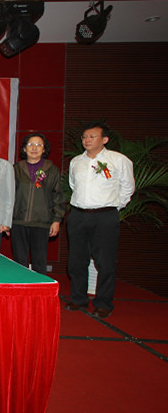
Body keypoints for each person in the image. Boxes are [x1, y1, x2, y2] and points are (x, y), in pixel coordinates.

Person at [66, 122, 134, 318]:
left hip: (105, 216)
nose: (87, 140)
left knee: (105, 262)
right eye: (84, 137)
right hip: (78, 215)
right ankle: (78, 299)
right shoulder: (76, 162)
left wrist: (112, 208)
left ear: (104, 139)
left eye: (92, 136)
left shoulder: (118, 160)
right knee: (76, 261)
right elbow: (73, 185)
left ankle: (103, 303)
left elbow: (127, 188)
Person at [11, 133, 66, 274]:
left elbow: (58, 195)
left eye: (38, 145)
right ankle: (21, 286)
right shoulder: (16, 169)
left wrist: (57, 220)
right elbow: (9, 195)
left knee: (39, 261)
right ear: (24, 149)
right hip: (18, 221)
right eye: (30, 144)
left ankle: (39, 287)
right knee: (19, 261)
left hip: (41, 222)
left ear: (44, 149)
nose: (34, 148)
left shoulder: (51, 169)